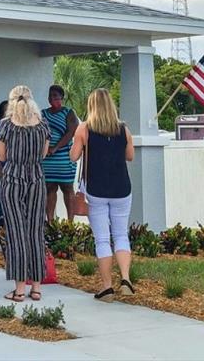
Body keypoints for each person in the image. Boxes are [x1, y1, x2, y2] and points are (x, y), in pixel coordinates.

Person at [70, 88, 135, 302]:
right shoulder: (123, 129)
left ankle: (107, 287)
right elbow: (130, 156)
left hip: (96, 190)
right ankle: (125, 278)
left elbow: (73, 157)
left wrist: (78, 143)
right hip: (121, 188)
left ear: (92, 106)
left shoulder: (84, 129)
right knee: (121, 235)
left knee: (102, 239)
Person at [0, 85, 50, 302]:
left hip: (12, 180)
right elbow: (44, 154)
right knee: (36, 232)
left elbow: (1, 156)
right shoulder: (43, 126)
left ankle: (19, 289)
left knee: (16, 233)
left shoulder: (6, 126)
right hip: (37, 180)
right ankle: (36, 288)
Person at [41, 85, 80, 222]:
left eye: (56, 96)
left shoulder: (69, 112)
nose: (52, 99)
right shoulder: (43, 113)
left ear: (62, 98)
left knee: (67, 188)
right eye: (50, 96)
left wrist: (56, 147)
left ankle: (70, 222)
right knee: (49, 188)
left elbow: (71, 132)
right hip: (47, 158)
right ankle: (50, 221)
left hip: (64, 156)